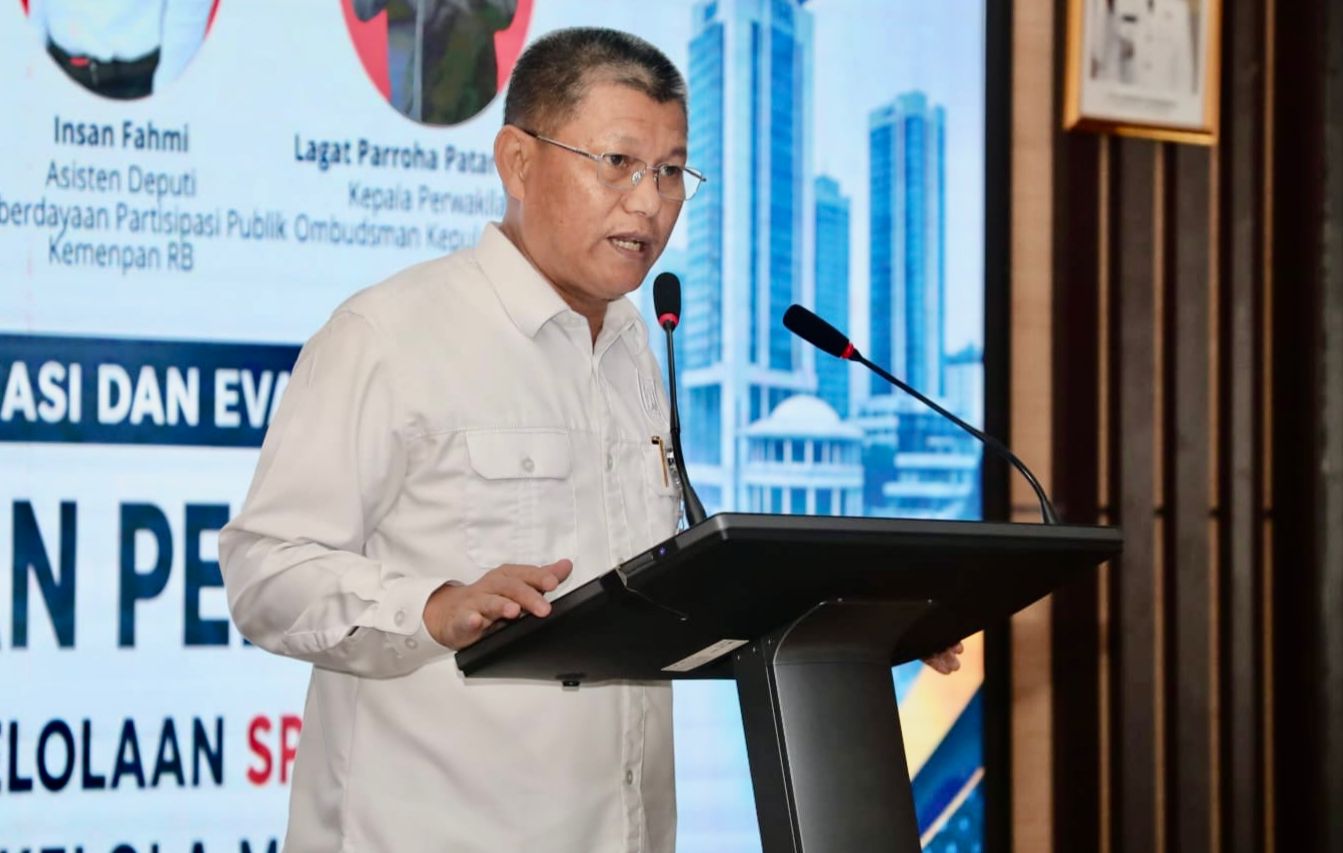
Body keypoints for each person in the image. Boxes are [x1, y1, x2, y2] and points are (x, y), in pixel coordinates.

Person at [221, 27, 960, 852]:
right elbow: (267, 569)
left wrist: (851, 623)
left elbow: (658, 601)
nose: (649, 203)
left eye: (671, 171)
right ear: (518, 161)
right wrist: (430, 607)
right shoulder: (390, 335)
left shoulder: (635, 347)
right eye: (617, 163)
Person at [27, 0, 214, 100]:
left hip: (136, 84)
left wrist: (165, 100)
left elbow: (187, 20)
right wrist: (31, 76)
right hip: (56, 71)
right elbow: (36, 15)